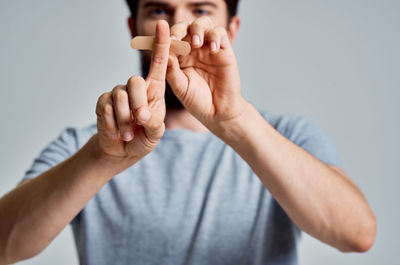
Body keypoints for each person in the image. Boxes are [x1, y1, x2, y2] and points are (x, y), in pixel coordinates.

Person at [0, 0, 376, 264]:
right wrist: (101, 158)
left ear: (232, 28)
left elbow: (357, 234)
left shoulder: (285, 135)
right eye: (160, 11)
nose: (176, 28)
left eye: (201, 10)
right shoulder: (85, 146)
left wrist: (234, 122)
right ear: (135, 27)